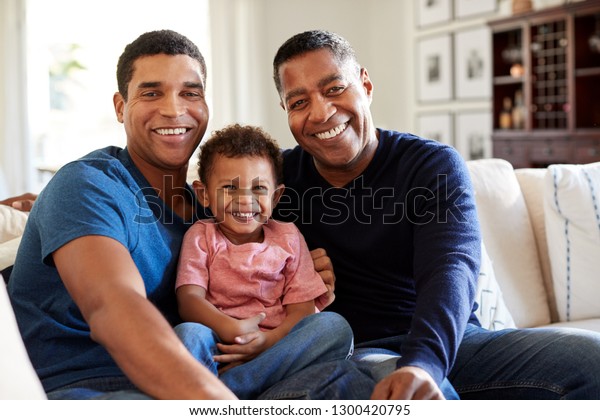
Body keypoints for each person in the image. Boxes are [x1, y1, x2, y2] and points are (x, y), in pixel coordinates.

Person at [7, 29, 374, 400]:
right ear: (120, 106)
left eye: (190, 93)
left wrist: (297, 288)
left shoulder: (211, 213)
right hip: (96, 389)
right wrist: (215, 404)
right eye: (151, 93)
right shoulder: (88, 185)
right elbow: (112, 305)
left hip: (197, 377)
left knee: (356, 377)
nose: (173, 109)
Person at [269, 29, 600, 400]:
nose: (321, 112)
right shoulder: (274, 181)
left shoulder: (430, 164)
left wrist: (424, 362)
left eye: (334, 89)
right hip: (357, 351)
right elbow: (218, 244)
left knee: (591, 359)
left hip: (453, 344)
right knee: (405, 388)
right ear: (286, 111)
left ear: (365, 85)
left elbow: (451, 267)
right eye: (298, 102)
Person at [174, 123, 354, 399]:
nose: (245, 200)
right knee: (187, 334)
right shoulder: (201, 235)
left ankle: (230, 389)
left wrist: (268, 341)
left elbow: (302, 309)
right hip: (220, 346)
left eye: (258, 188)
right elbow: (189, 300)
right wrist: (229, 328)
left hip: (277, 346)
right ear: (204, 194)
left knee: (334, 327)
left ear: (276, 195)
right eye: (230, 188)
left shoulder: (288, 236)